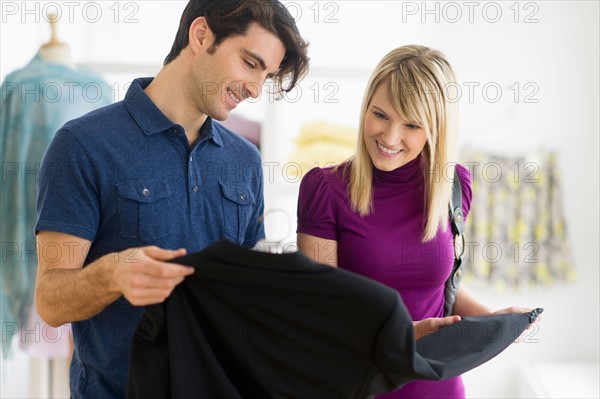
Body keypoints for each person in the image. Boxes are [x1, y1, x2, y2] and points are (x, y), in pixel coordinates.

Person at [34, 0, 309, 397]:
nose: (255, 88)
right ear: (201, 35)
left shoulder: (245, 160)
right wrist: (112, 273)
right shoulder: (82, 146)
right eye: (250, 64)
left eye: (266, 75)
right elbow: (50, 302)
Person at [296, 45, 531, 398]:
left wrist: (496, 321)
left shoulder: (455, 186)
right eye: (380, 115)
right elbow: (320, 315)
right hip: (357, 387)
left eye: (411, 124)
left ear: (436, 128)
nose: (389, 138)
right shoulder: (325, 189)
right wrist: (403, 334)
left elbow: (441, 288)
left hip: (440, 388)